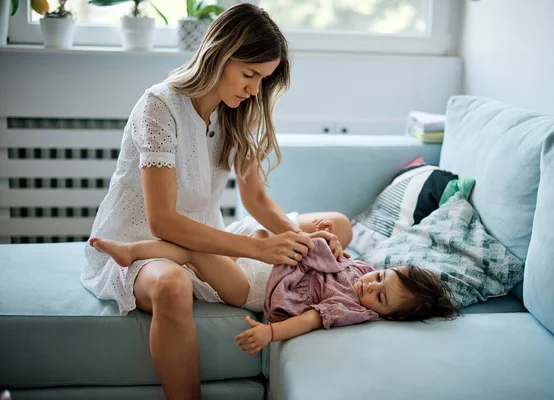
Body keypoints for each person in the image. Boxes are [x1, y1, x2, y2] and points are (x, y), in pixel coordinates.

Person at [81, 4, 350, 399]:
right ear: (220, 54)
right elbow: (163, 222)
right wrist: (257, 248)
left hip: (208, 235)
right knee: (172, 285)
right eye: (249, 74)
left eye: (263, 79)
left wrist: (305, 246)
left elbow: (255, 198)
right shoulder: (159, 106)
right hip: (144, 241)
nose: (255, 89)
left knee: (337, 226)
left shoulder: (236, 110)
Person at [88, 219, 459, 357]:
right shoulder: (363, 269)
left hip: (252, 288)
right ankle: (134, 250)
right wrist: (330, 243)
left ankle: (134, 251)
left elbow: (311, 320)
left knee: (196, 252)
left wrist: (270, 332)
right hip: (268, 261)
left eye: (380, 298)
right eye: (380, 277)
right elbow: (337, 259)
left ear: (387, 317)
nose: (369, 285)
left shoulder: (353, 308)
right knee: (238, 239)